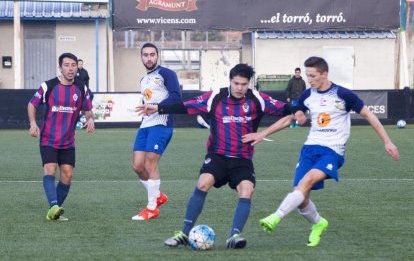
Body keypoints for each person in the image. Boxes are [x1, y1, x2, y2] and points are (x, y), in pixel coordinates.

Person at [242, 56, 400, 247]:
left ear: (325, 74)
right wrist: (262, 134)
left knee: (306, 181)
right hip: (309, 149)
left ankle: (275, 217)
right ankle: (319, 223)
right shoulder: (307, 95)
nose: (309, 79)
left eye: (313, 76)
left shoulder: (344, 95)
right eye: (308, 75)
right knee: (301, 197)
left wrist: (388, 141)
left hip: (332, 151)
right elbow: (291, 118)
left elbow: (369, 115)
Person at [137, 64, 293, 249]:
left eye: (244, 84)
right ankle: (184, 234)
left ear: (249, 83)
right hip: (217, 156)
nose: (239, 88)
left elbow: (290, 113)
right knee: (203, 182)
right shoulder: (215, 97)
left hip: (242, 159)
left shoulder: (258, 99)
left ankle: (234, 236)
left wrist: (261, 134)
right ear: (230, 81)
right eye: (236, 83)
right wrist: (158, 108)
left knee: (247, 190)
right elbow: (185, 106)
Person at [27, 52, 95, 221]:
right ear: (60, 67)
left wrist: (91, 119)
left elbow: (88, 108)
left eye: (73, 65)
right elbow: (31, 104)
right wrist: (33, 123)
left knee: (67, 175)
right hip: (48, 139)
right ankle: (54, 206)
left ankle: (53, 211)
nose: (71, 69)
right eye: (66, 65)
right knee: (50, 169)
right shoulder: (48, 86)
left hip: (68, 141)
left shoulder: (81, 88)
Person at [131, 42, 183, 221]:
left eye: (152, 54)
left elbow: (177, 98)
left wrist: (158, 107)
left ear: (157, 55)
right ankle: (158, 196)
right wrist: (147, 109)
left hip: (161, 123)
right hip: (145, 125)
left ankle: (152, 208)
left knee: (149, 165)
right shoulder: (143, 80)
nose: (149, 58)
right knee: (137, 166)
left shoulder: (167, 74)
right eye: (145, 55)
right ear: (141, 57)